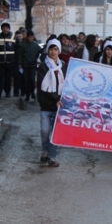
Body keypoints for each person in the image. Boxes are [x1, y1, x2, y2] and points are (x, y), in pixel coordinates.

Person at [37, 39, 67, 167]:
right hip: (46, 105)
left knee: (55, 132)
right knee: (45, 131)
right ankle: (45, 149)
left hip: (59, 106)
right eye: (51, 49)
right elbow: (43, 87)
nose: (53, 52)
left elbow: (67, 84)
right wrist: (56, 99)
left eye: (56, 49)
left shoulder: (63, 65)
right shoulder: (43, 67)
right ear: (47, 50)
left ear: (59, 51)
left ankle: (52, 156)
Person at [17, 30, 42, 101]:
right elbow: (20, 55)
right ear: (27, 37)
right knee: (26, 81)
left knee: (32, 80)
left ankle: (32, 93)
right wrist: (19, 64)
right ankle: (27, 94)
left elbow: (40, 51)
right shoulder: (23, 45)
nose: (31, 38)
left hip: (33, 65)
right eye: (29, 37)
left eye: (32, 37)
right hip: (25, 66)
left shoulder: (35, 45)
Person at [0, 22, 17, 98]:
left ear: (9, 29)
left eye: (6, 28)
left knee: (8, 78)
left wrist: (15, 59)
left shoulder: (13, 37)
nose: (5, 29)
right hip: (0, 62)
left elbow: (18, 49)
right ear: (1, 29)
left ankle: (8, 92)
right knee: (0, 78)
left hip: (10, 62)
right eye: (3, 28)